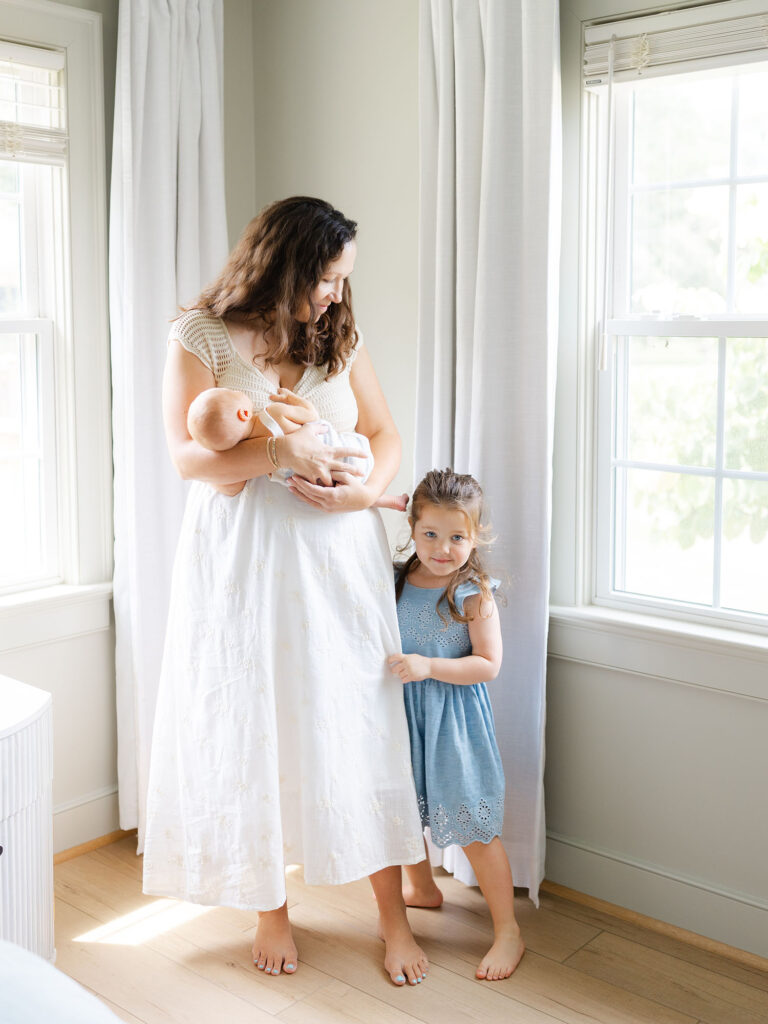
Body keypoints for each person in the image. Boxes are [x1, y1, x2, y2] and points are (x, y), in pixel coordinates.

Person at [143, 197, 428, 987]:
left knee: (358, 718)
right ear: (287, 267)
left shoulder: (338, 334)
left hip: (336, 556)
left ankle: (392, 916)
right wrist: (281, 451)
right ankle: (270, 907)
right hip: (244, 561)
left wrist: (360, 488)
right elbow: (187, 460)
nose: (338, 294)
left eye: (343, 280)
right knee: (254, 715)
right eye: (328, 279)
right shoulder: (200, 337)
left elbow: (384, 433)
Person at [387, 468, 526, 981]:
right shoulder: (399, 578)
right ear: (413, 527)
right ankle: (420, 887)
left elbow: (488, 664)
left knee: (474, 829)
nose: (442, 548)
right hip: (404, 718)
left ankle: (508, 930)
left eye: (457, 537)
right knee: (402, 810)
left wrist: (429, 666)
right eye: (430, 534)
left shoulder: (470, 591)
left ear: (475, 536)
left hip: (455, 725)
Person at [187, 384, 407, 509]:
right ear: (244, 413)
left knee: (337, 489)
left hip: (321, 481)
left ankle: (388, 501)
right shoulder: (272, 414)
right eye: (232, 393)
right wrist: (293, 400)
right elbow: (311, 416)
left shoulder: (256, 455)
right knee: (357, 484)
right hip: (348, 453)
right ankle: (384, 497)